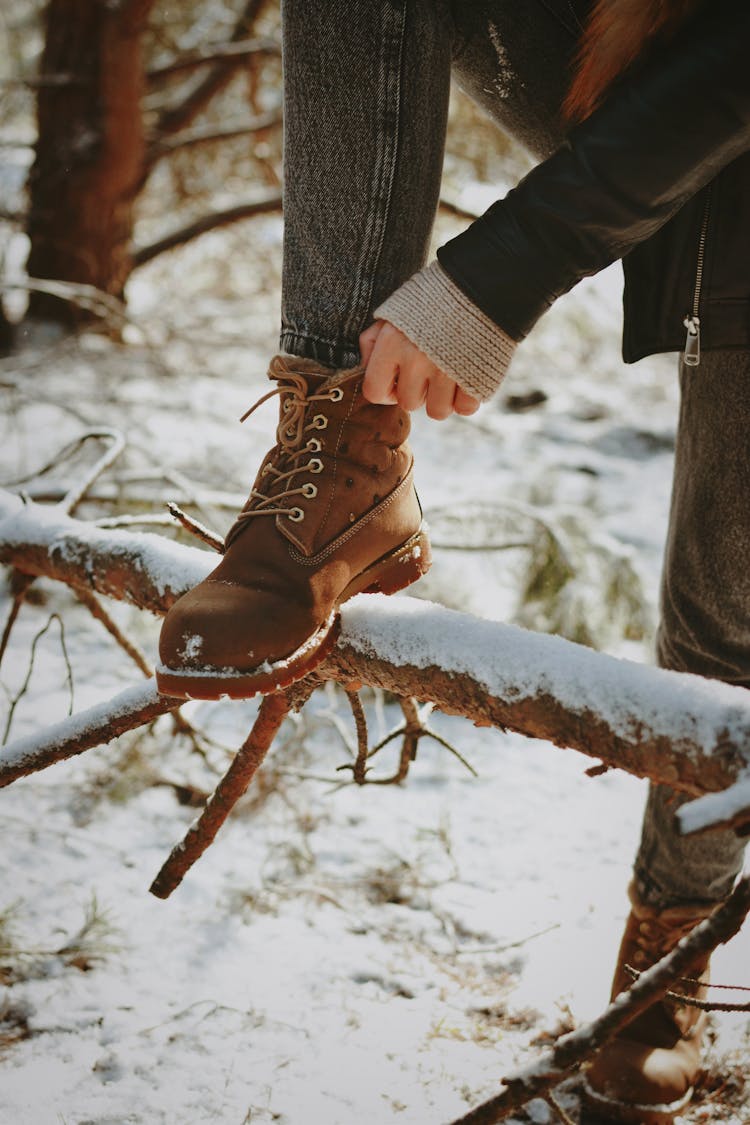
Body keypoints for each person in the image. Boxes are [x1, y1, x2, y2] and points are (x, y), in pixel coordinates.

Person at [157, 1, 750, 1119]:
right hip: (650, 60)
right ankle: (344, 448)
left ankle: (664, 956)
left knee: (728, 632)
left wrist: (496, 272)